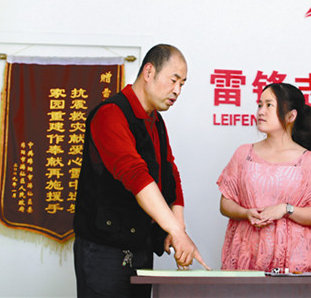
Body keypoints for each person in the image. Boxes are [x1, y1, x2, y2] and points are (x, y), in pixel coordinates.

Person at [73, 44, 209, 298]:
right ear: (149, 72)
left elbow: (170, 173)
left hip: (140, 247)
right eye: (173, 80)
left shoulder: (156, 121)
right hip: (104, 251)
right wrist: (177, 233)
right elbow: (136, 177)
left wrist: (175, 227)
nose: (177, 91)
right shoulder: (110, 114)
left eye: (183, 84)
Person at [217, 82, 311, 273]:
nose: (261, 112)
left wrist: (286, 209)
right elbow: (225, 203)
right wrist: (246, 213)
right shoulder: (243, 153)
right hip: (245, 262)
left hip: (293, 266)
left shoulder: (309, 160)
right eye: (259, 105)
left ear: (291, 115)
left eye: (269, 105)